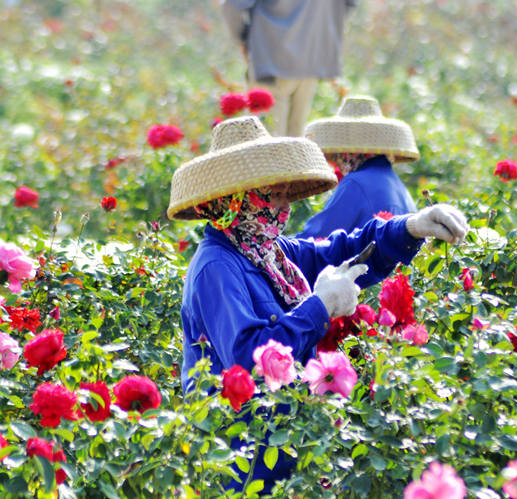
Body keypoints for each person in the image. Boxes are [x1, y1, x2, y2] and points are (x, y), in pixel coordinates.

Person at [166, 115, 467, 492]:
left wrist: (408, 227)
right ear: (237, 200)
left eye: (284, 192)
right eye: (273, 194)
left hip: (284, 438)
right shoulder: (217, 266)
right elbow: (249, 358)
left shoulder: (267, 251)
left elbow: (339, 248)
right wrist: (319, 307)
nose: (283, 205)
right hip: (242, 457)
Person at [220, 0, 358, 137]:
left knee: (264, 145)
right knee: (295, 147)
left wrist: (243, 38)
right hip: (311, 61)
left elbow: (231, 5)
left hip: (270, 58)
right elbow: (350, 3)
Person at [298, 95, 419, 239]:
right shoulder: (399, 186)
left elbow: (315, 237)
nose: (336, 161)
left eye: (338, 154)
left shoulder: (356, 183)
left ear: (348, 153)